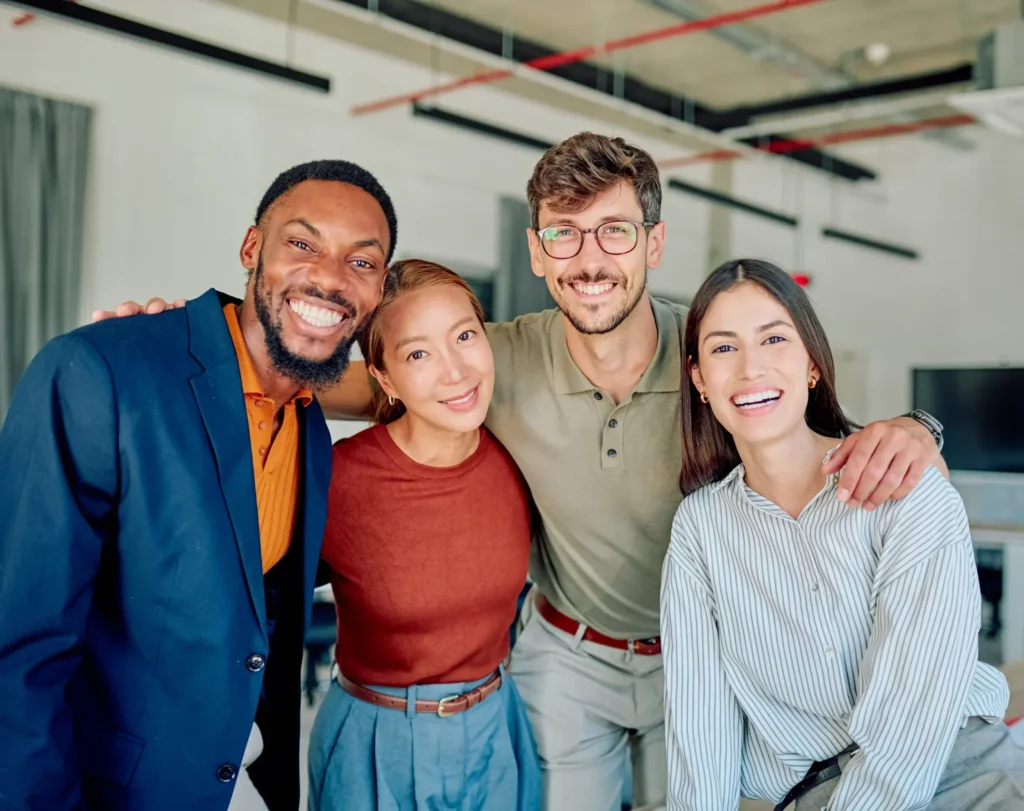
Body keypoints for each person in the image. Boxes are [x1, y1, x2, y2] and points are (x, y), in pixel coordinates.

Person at [98, 132, 948, 811]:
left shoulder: (713, 351)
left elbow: (810, 413)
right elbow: (339, 371)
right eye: (563, 235)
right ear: (538, 252)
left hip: (707, 653)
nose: (590, 258)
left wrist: (920, 425)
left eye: (615, 231)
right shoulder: (492, 361)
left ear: (652, 243)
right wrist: (190, 345)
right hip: (568, 654)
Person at [0, 159, 397, 811]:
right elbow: (20, 651)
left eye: (363, 261)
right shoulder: (100, 370)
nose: (329, 277)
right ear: (250, 248)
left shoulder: (313, 430)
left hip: (241, 779)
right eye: (303, 243)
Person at [662, 258, 1022, 811]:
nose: (750, 368)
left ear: (811, 364)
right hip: (814, 789)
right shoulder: (700, 529)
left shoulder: (907, 488)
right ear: (699, 379)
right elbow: (699, 721)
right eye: (724, 348)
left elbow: (912, 716)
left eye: (774, 339)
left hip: (960, 766)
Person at [308, 259, 540, 811]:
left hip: (494, 729)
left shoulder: (520, 457)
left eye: (465, 336)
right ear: (383, 378)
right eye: (418, 354)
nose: (455, 371)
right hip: (375, 742)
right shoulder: (339, 479)